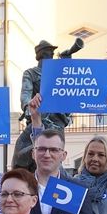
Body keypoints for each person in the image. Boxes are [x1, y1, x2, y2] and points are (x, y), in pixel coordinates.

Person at [12, 39, 78, 170]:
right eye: (48, 53)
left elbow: (70, 89)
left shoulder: (59, 73)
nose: (51, 56)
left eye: (52, 53)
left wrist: (67, 62)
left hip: (57, 123)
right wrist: (28, 107)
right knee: (20, 152)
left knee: (53, 155)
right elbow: (25, 94)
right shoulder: (31, 73)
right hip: (38, 119)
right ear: (40, 55)